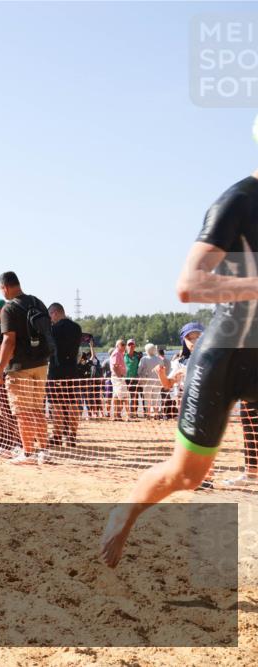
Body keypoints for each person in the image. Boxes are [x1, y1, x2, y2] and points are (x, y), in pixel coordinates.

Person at [101, 168, 258, 567]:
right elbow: (190, 284)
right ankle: (126, 511)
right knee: (188, 476)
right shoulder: (237, 202)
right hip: (224, 358)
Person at [0, 272, 52, 464]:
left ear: (5, 287)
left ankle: (28, 454)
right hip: (41, 363)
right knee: (37, 409)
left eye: (1, 289)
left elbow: (9, 341)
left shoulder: (8, 308)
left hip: (19, 367)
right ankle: (44, 451)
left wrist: (0, 367)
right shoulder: (37, 302)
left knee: (23, 412)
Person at [47, 303, 82, 447]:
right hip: (72, 369)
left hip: (57, 370)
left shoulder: (53, 329)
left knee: (57, 404)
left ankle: (57, 435)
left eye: (50, 315)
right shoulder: (77, 328)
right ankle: (72, 436)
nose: (50, 319)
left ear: (55, 313)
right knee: (72, 403)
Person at [137, 343, 165, 418]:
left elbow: (139, 370)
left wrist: (141, 376)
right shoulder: (159, 359)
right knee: (156, 398)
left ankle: (148, 414)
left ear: (147, 350)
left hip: (147, 382)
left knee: (147, 399)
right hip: (157, 381)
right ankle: (156, 414)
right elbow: (162, 369)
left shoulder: (144, 359)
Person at [108, 340, 129, 420]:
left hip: (117, 377)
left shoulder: (119, 353)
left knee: (117, 396)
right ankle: (125, 415)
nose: (124, 346)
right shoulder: (116, 353)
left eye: (125, 344)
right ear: (117, 346)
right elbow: (115, 366)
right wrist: (119, 377)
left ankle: (117, 415)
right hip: (118, 378)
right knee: (124, 396)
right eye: (122, 344)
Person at [124, 339, 143, 417]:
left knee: (134, 397)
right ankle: (127, 412)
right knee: (125, 397)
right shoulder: (123, 355)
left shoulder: (138, 356)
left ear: (135, 346)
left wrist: (139, 377)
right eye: (129, 344)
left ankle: (134, 412)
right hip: (125, 379)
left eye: (132, 344)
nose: (131, 346)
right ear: (126, 346)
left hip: (135, 379)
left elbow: (141, 367)